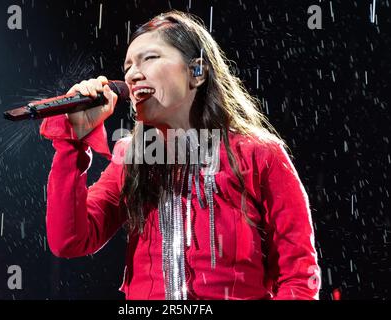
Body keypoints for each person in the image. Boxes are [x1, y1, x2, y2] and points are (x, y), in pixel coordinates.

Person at [39, 10, 321, 300]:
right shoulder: (132, 157)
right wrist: (73, 142)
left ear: (197, 72)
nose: (133, 74)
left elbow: (299, 275)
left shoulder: (259, 154)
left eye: (149, 58)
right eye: (127, 67)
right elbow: (69, 241)